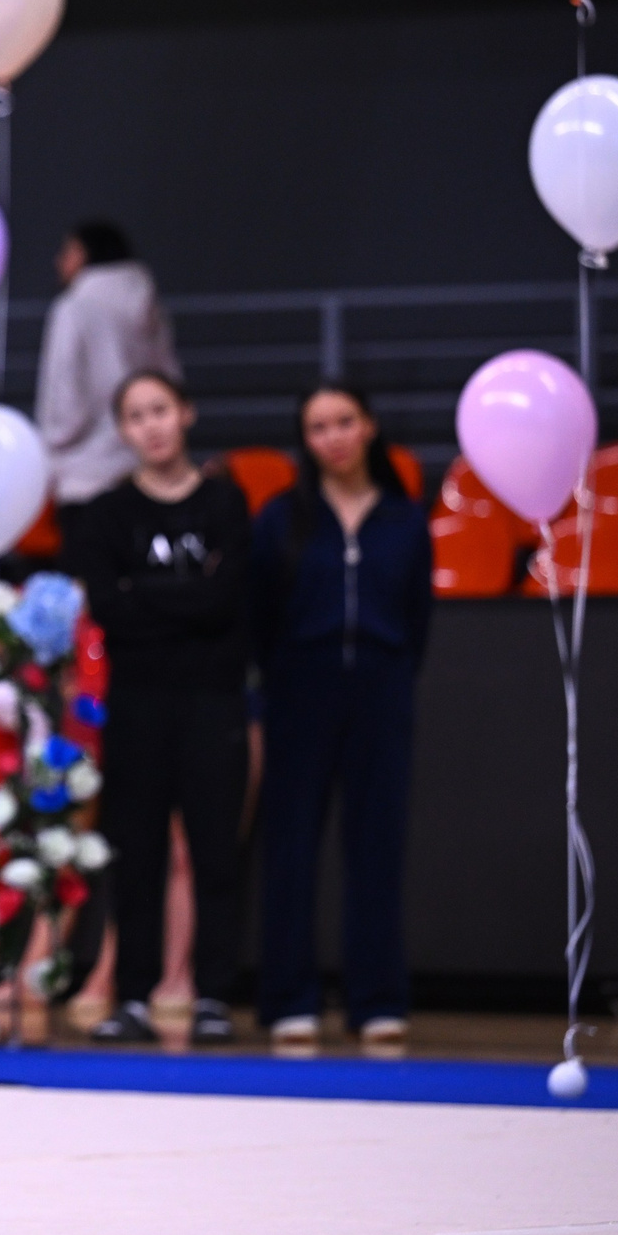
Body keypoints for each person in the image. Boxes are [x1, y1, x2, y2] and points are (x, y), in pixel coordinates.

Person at [248, 382, 433, 1048]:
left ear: (370, 427)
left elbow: (417, 620)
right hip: (300, 687)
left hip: (381, 690)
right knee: (292, 845)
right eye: (318, 426)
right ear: (306, 440)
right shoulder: (279, 519)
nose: (333, 436)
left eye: (344, 421)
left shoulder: (405, 520)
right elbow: (260, 615)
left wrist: (385, 668)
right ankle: (289, 996)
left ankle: (377, 997)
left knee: (377, 845)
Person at [69, 371, 251, 1048]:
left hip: (212, 700)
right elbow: (110, 610)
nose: (151, 424)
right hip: (138, 701)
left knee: (211, 851)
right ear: (123, 430)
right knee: (136, 850)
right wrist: (181, 601)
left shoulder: (226, 503)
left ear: (186, 413)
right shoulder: (107, 514)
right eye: (136, 414)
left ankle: (212, 995)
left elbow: (226, 601)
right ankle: (136, 995)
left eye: (161, 410)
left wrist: (147, 597)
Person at [35, 221, 178, 546]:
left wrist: (53, 445)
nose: (59, 261)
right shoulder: (150, 305)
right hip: (145, 470)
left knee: (88, 585)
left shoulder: (72, 309)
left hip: (85, 476)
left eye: (66, 251)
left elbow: (63, 397)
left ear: (86, 254)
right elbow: (170, 382)